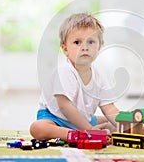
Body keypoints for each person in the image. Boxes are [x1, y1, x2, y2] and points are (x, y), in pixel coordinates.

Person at [30, 13, 119, 142]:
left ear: (99, 47)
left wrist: (127, 126)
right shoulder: (65, 72)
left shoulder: (99, 77)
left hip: (82, 120)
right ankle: (74, 134)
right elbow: (64, 106)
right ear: (65, 49)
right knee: (38, 128)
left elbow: (109, 108)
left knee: (114, 120)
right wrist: (88, 129)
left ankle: (84, 132)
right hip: (55, 118)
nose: (85, 47)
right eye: (77, 42)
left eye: (91, 42)